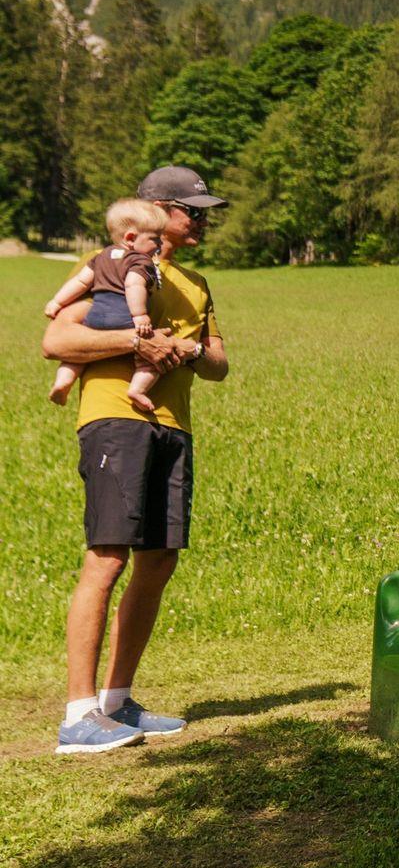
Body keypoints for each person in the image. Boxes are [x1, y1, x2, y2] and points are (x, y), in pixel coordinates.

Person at [40, 166, 229, 755]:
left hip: (174, 427)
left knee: (159, 559)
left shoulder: (196, 282)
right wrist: (137, 341)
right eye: (192, 211)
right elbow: (57, 340)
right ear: (157, 210)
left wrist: (189, 349)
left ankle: (117, 700)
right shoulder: (110, 262)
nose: (201, 221)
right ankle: (78, 716)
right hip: (115, 419)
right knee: (107, 557)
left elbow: (219, 364)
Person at [43, 198, 170, 413]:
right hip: (124, 318)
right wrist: (139, 315)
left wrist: (56, 302)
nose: (160, 245)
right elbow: (133, 284)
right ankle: (137, 390)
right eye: (155, 239)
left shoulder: (101, 256)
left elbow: (81, 282)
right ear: (131, 238)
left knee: (78, 355)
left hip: (95, 317)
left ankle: (63, 381)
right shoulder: (140, 260)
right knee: (151, 360)